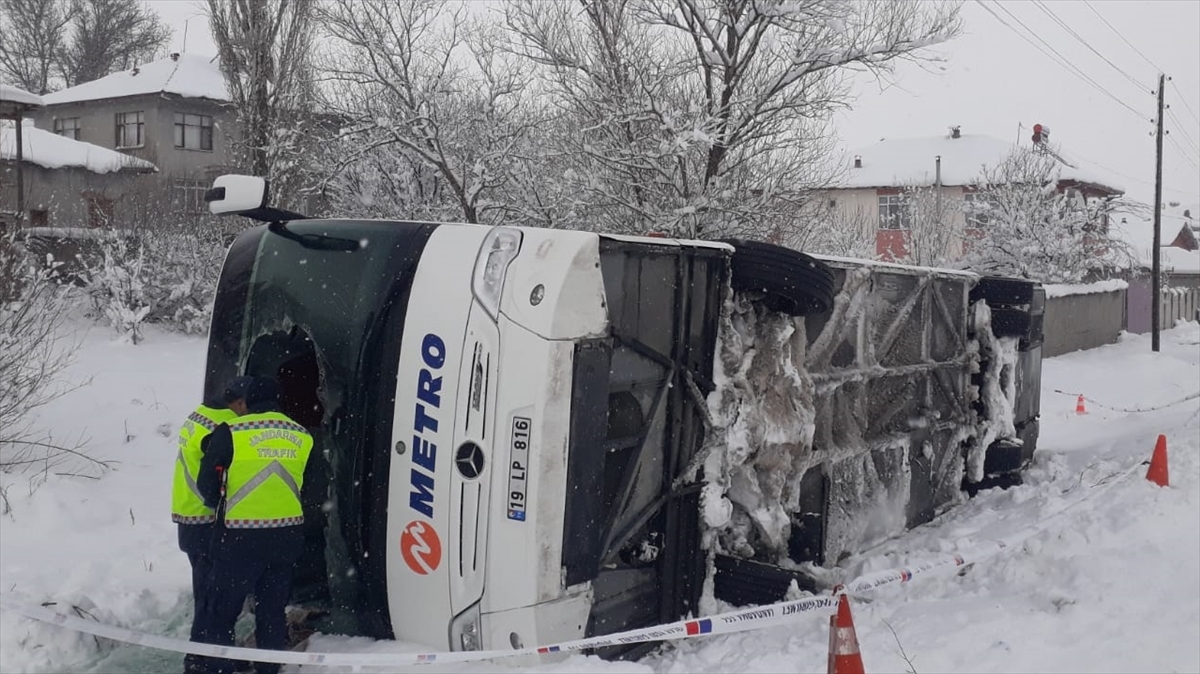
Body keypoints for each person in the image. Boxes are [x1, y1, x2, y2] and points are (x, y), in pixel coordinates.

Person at [191, 376, 314, 674]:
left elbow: (206, 485)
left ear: (248, 402)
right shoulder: (301, 435)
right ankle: (268, 670)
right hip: (285, 539)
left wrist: (219, 503)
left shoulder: (231, 432)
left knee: (222, 614)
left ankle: (218, 669)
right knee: (271, 615)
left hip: (239, 540)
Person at [174, 376, 252, 674]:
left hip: (186, 513)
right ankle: (211, 660)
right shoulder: (223, 425)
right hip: (206, 518)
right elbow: (217, 475)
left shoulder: (199, 414)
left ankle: (199, 656)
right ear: (240, 402)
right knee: (214, 596)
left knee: (204, 593)